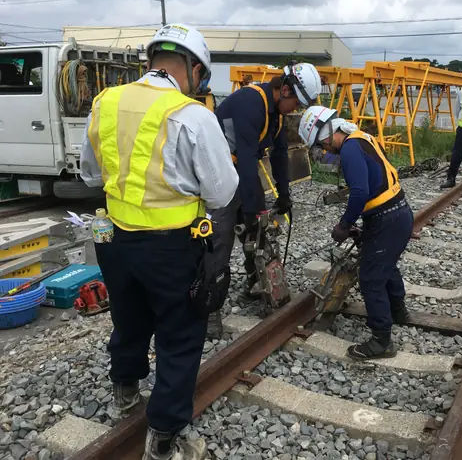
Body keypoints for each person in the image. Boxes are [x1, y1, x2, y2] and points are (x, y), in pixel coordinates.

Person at [80, 23, 238, 460]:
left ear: (150, 61)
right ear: (193, 68)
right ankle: (165, 434)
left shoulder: (105, 103)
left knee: (129, 318)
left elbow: (92, 174)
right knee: (180, 334)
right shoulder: (192, 115)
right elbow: (222, 192)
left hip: (113, 240)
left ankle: (125, 391)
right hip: (171, 248)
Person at [206, 62, 322, 339]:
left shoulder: (276, 115)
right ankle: (210, 310)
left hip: (239, 168)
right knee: (220, 238)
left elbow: (280, 155)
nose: (295, 109)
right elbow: (246, 159)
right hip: (218, 172)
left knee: (255, 232)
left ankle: (254, 284)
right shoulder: (250, 102)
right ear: (284, 90)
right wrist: (254, 209)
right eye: (295, 102)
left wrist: (284, 195)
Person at [299, 106, 413, 360]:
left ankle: (381, 341)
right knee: (386, 265)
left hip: (387, 219)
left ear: (328, 132)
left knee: (371, 278)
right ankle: (398, 312)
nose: (325, 150)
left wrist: (343, 224)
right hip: (396, 213)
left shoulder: (350, 148)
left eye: (322, 145)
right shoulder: (362, 137)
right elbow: (374, 182)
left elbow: (360, 192)